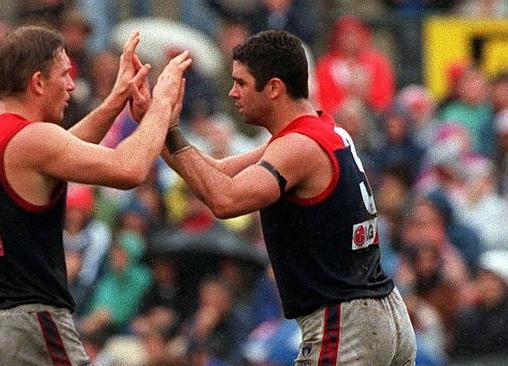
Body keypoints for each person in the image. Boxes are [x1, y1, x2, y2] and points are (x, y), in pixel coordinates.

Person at [162, 30, 416, 365]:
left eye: (240, 82)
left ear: (274, 88)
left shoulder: (297, 147)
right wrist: (158, 127)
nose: (231, 92)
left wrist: (165, 127)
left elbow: (224, 200)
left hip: (344, 321)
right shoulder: (317, 131)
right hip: (380, 312)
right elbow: (218, 172)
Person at [0, 25, 191, 365]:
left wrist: (115, 101)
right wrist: (163, 103)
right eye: (65, 74)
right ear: (37, 82)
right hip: (24, 323)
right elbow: (129, 169)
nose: (72, 85)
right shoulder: (34, 140)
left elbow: (60, 153)